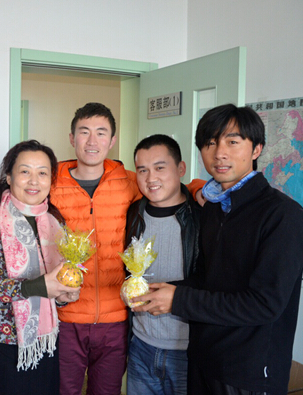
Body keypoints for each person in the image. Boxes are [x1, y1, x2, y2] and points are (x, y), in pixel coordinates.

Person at [133, 104, 303, 394]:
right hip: (204, 360)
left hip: (249, 372)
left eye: (232, 142)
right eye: (210, 143)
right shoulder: (214, 209)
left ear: (257, 149)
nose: (219, 153)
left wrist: (179, 299)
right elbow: (208, 279)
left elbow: (265, 304)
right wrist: (163, 290)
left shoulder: (283, 215)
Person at [50, 102, 204, 395]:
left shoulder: (129, 180)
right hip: (67, 316)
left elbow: (169, 183)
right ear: (71, 138)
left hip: (117, 319)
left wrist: (201, 189)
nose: (92, 141)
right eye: (84, 132)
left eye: (101, 132)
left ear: (112, 140)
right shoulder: (52, 183)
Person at [0, 140, 81, 395]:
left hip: (46, 340)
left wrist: (64, 295)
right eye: (25, 171)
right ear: (9, 177)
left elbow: (56, 284)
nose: (34, 181)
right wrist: (40, 286)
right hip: (3, 341)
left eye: (42, 173)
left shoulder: (54, 222)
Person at [124, 134, 201, 394]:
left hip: (188, 350)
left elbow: (215, 280)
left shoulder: (203, 217)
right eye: (142, 170)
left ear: (181, 169)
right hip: (140, 345)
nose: (150, 178)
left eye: (159, 167)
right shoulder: (132, 214)